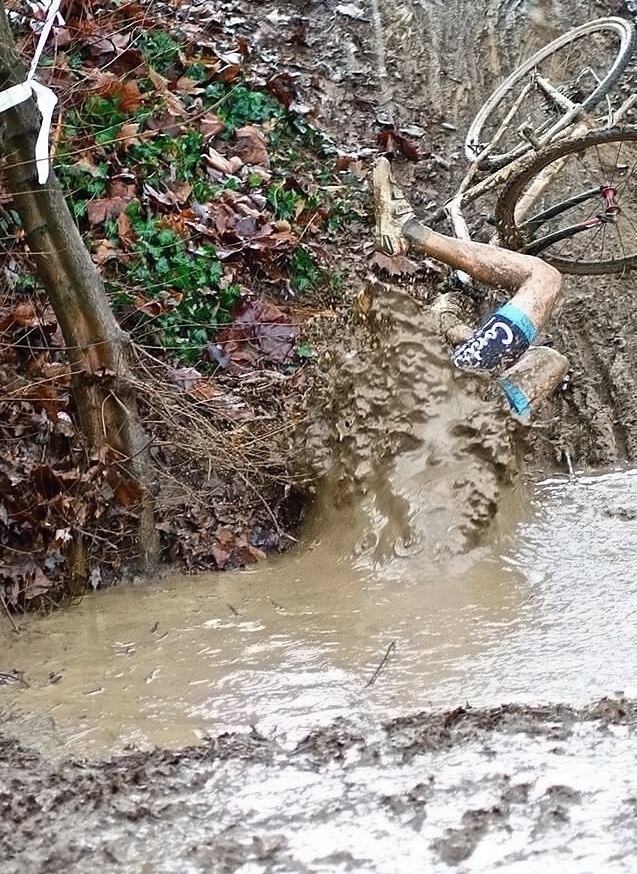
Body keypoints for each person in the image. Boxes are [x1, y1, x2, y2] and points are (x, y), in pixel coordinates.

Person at [371, 157, 569, 420]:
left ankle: (409, 230)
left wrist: (455, 329)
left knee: (547, 303)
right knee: (549, 340)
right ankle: (409, 231)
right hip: (462, 422)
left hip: (453, 417)